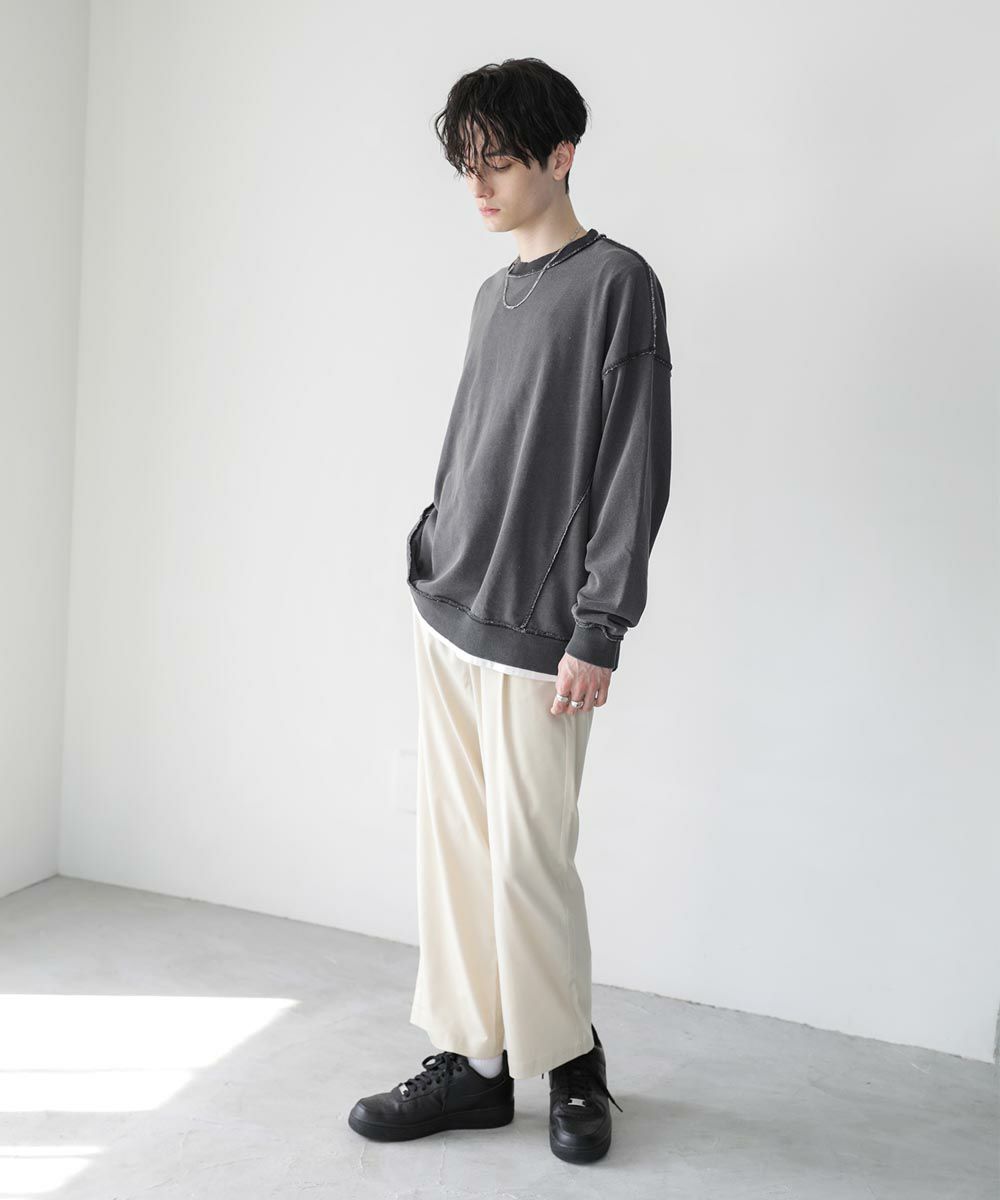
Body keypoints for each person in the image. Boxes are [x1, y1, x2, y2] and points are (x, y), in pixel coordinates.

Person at [348, 56, 672, 1164]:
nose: (477, 186)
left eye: (496, 162)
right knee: (453, 849)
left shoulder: (618, 283)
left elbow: (633, 466)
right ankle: (473, 1065)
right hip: (449, 605)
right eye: (466, 166)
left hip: (543, 630)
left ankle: (570, 1061)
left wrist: (600, 624)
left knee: (530, 859)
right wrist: (430, 542)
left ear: (560, 155)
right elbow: (473, 442)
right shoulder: (492, 296)